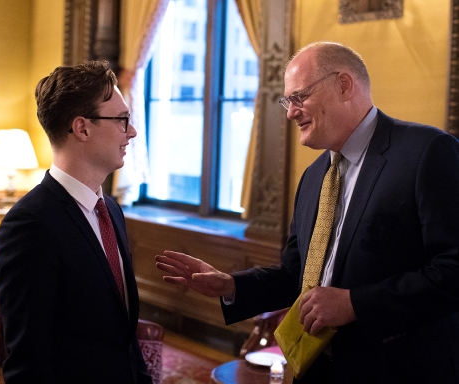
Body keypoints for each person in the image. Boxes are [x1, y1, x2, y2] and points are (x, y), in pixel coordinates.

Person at [156, 42, 459, 384]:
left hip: (398, 370)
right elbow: (297, 275)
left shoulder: (427, 152)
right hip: (317, 369)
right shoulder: (315, 175)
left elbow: (452, 270)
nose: (290, 112)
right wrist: (230, 286)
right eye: (288, 101)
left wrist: (354, 304)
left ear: (344, 85)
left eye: (299, 97)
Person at [0, 61, 153, 384]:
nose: (132, 132)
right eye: (123, 120)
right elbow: (29, 367)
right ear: (82, 128)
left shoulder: (111, 210)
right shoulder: (29, 226)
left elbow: (124, 337)